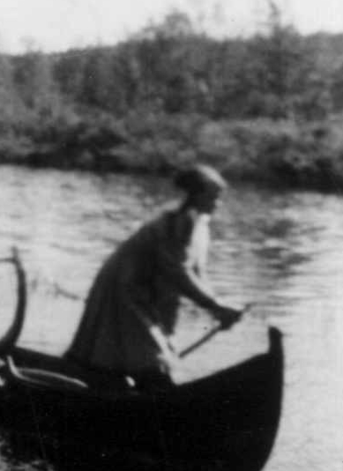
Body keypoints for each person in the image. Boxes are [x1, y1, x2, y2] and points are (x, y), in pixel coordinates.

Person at [65, 164, 245, 389]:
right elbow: (178, 272)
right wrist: (215, 305)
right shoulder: (177, 222)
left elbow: (198, 272)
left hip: (146, 293)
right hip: (125, 287)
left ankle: (126, 389)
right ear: (196, 195)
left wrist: (218, 309)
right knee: (142, 355)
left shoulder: (199, 224)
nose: (217, 203)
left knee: (147, 353)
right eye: (213, 197)